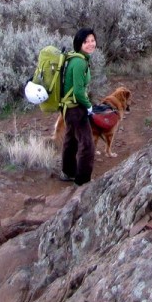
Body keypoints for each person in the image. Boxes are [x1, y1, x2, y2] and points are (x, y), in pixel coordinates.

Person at [60, 27, 96, 185]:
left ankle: (68, 172)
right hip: (75, 108)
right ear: (79, 43)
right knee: (87, 145)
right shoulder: (80, 62)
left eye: (92, 40)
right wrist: (88, 106)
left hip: (68, 107)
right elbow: (79, 91)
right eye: (86, 41)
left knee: (71, 139)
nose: (90, 44)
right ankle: (82, 181)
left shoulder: (75, 58)